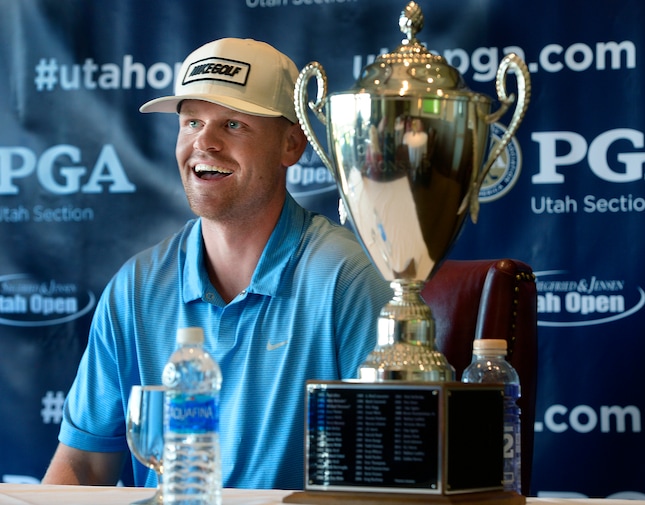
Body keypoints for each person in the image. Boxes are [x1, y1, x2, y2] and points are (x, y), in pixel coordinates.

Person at [42, 38, 392, 490]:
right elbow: (82, 468)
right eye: (191, 122)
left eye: (232, 124)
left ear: (291, 145)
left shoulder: (348, 280)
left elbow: (386, 480)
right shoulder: (136, 287)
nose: (204, 142)